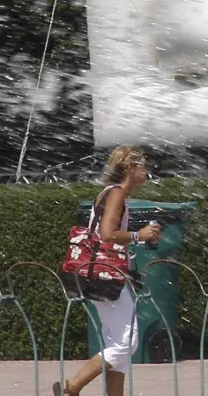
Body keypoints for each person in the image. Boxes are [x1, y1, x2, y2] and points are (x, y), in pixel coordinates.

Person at [56, 146, 161, 396]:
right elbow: (107, 234)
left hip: (102, 274)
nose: (147, 170)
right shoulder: (115, 194)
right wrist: (139, 235)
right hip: (105, 275)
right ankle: (72, 387)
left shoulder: (115, 194)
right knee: (127, 342)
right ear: (129, 168)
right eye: (143, 165)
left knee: (118, 342)